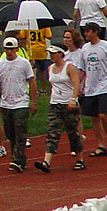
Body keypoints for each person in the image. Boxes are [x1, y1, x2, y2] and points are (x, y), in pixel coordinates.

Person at [0, 37, 36, 172]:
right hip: (6, 103)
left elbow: (32, 82)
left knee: (20, 130)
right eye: (7, 49)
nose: (9, 51)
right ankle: (15, 156)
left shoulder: (24, 63)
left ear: (16, 49)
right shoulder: (0, 64)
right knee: (10, 132)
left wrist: (33, 101)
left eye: (11, 49)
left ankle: (19, 159)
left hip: (21, 102)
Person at [36, 45, 84, 173]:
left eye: (53, 53)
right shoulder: (50, 68)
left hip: (68, 104)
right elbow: (52, 85)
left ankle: (79, 159)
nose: (50, 56)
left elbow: (76, 84)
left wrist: (73, 99)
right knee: (52, 131)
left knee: (73, 132)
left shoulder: (69, 67)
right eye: (49, 53)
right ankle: (46, 161)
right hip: (55, 104)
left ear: (60, 53)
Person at [80, 22, 107, 156]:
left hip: (105, 85)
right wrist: (80, 86)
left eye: (88, 31)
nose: (86, 34)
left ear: (95, 32)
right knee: (94, 118)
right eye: (85, 31)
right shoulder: (85, 48)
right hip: (90, 87)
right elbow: (83, 69)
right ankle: (100, 144)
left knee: (103, 114)